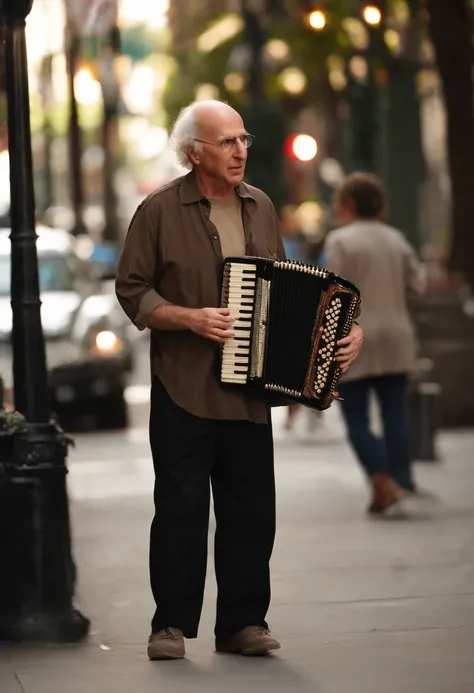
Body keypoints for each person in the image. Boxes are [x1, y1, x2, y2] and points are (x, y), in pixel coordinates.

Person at [115, 100, 364, 660]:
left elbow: (286, 293)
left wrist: (343, 335)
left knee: (252, 511)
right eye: (225, 142)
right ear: (193, 152)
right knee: (180, 511)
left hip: (250, 392)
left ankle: (243, 623)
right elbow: (132, 291)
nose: (239, 151)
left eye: (243, 139)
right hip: (183, 386)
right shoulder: (157, 211)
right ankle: (170, 626)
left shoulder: (262, 206)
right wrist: (190, 318)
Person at [325, 172, 426, 516]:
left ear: (348, 204)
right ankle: (399, 477)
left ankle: (381, 478)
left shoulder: (340, 241)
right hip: (397, 337)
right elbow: (417, 288)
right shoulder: (396, 239)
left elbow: (334, 293)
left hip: (354, 340)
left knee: (354, 417)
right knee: (394, 412)